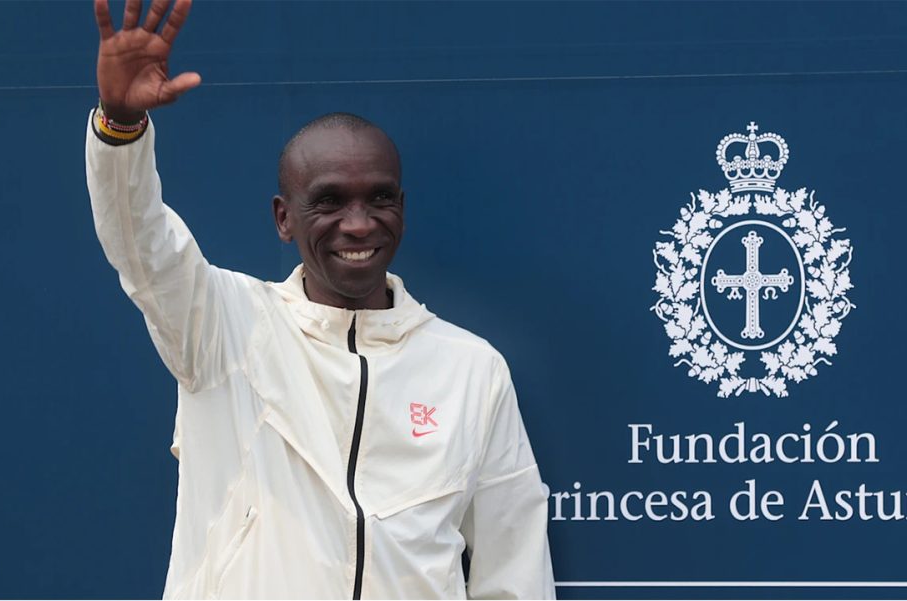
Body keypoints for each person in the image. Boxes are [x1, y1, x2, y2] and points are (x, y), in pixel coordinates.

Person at [85, 0, 555, 598]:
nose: (358, 225)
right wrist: (120, 127)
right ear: (284, 219)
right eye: (329, 202)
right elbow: (139, 241)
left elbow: (513, 571)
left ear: (402, 211)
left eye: (378, 199)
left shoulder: (471, 369)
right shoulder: (222, 324)